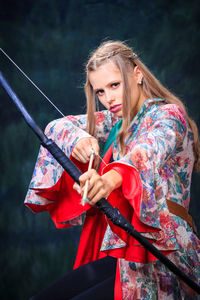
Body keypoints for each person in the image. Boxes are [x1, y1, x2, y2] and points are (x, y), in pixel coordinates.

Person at [25, 40, 200, 299]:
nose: (108, 99)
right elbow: (57, 127)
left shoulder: (168, 115)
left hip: (165, 255)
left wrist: (107, 181)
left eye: (114, 85)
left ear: (137, 74)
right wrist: (79, 141)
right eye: (100, 92)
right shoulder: (115, 122)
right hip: (126, 252)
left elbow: (146, 153)